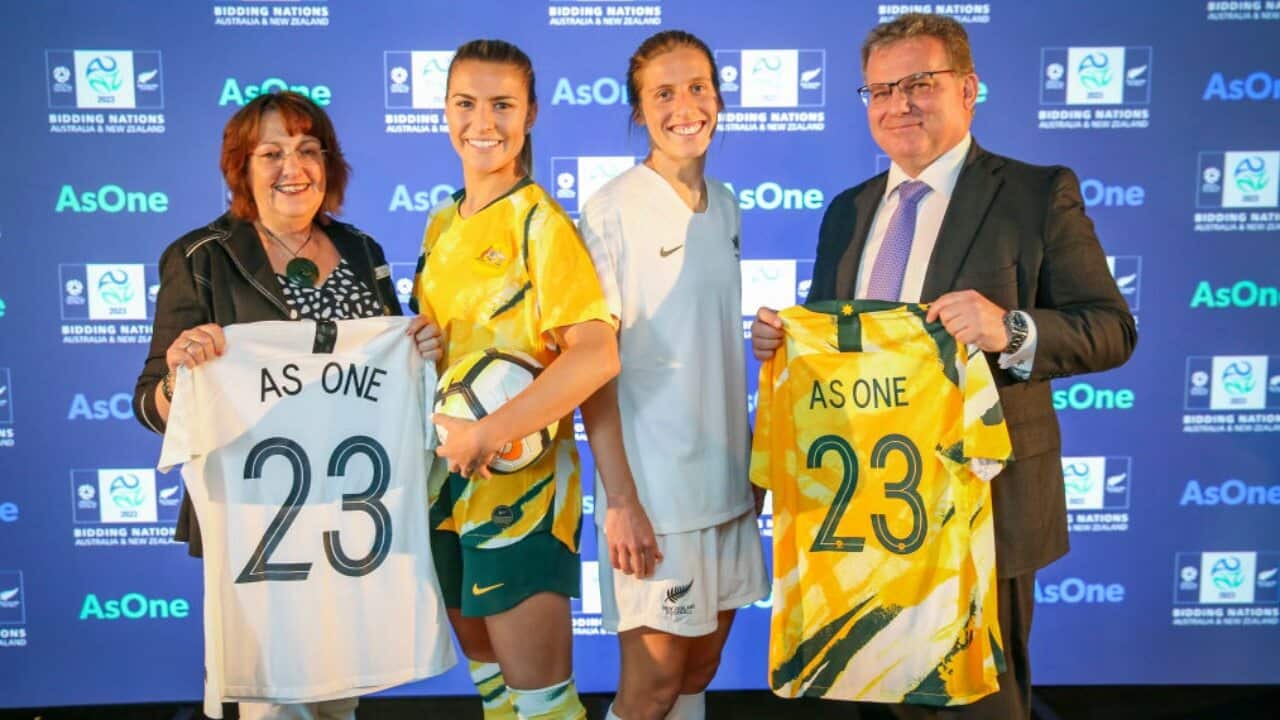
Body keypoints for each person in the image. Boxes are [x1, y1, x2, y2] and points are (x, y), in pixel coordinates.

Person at [750, 13, 1137, 719]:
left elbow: (1111, 329)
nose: (899, 103)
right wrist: (783, 348)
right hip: (867, 515)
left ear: (968, 89)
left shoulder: (1035, 192)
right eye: (879, 90)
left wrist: (1009, 328)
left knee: (983, 708)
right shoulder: (847, 211)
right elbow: (835, 352)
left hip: (984, 508)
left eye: (920, 83)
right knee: (873, 699)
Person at [132, 91, 442, 720]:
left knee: (338, 702)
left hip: (352, 526)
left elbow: (386, 378)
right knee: (271, 707)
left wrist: (422, 347)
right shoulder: (202, 258)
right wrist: (180, 373)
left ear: (329, 163)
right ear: (240, 170)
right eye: (270, 153)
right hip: (258, 531)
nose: (292, 167)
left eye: (307, 149)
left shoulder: (361, 252)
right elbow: (149, 404)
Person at [409, 39, 620, 720]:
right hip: (447, 483)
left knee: (543, 705)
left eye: (503, 105)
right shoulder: (441, 221)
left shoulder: (541, 223)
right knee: (496, 697)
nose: (483, 122)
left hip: (521, 494)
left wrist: (492, 431)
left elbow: (595, 355)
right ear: (444, 111)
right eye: (466, 103)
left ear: (530, 113)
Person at [576, 30, 769, 720]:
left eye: (698, 88)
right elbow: (591, 368)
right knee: (652, 687)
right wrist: (620, 501)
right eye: (663, 93)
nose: (685, 106)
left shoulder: (728, 203)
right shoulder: (612, 208)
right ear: (639, 111)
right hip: (655, 499)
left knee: (700, 669)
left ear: (719, 97)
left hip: (727, 483)